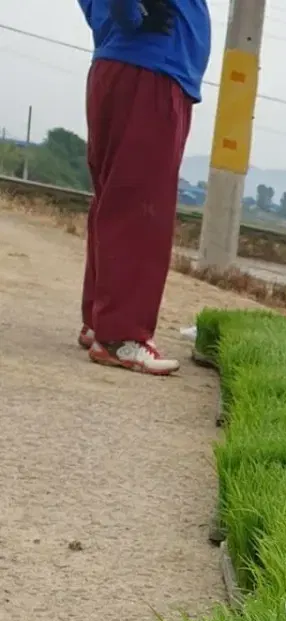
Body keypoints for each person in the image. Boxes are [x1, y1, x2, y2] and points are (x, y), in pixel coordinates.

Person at [77, 0, 211, 376]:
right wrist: (130, 14)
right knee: (141, 210)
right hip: (151, 69)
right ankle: (121, 336)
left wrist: (116, 22)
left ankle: (100, 321)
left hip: (123, 63)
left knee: (115, 202)